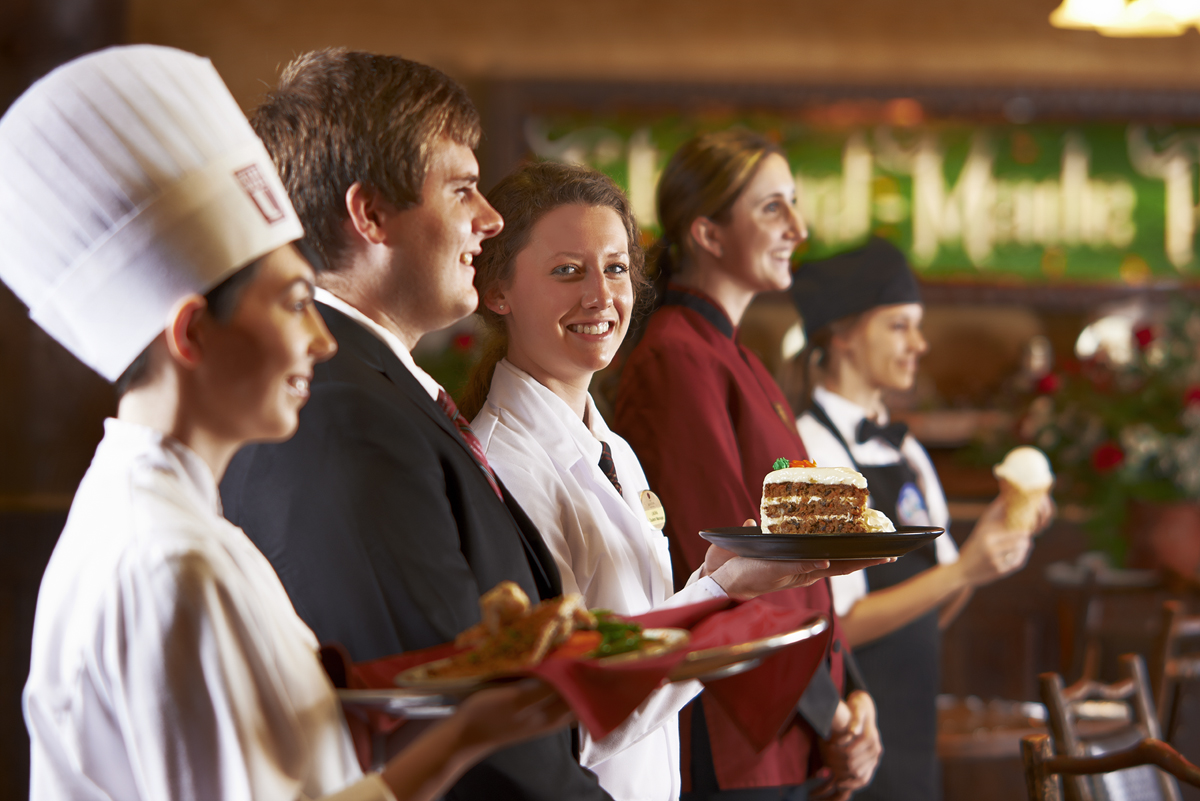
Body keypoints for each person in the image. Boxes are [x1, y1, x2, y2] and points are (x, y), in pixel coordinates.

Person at [4, 45, 573, 801]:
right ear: (194, 333)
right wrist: (465, 735)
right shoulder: (170, 561)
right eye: (293, 303)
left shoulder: (176, 528)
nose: (322, 340)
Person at [217, 49, 611, 801]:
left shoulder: (376, 388)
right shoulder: (344, 410)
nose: (490, 219)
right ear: (370, 215)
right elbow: (440, 710)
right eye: (462, 188)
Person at [459, 162, 888, 801]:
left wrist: (718, 585)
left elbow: (637, 627)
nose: (601, 297)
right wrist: (720, 590)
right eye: (566, 271)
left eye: (615, 268)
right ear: (497, 291)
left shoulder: (615, 451)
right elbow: (567, 713)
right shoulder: (506, 467)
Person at [613, 130, 881, 800]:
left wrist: (855, 690)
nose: (799, 226)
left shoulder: (734, 353)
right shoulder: (678, 356)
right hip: (740, 733)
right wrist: (832, 712)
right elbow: (724, 567)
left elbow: (803, 560)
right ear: (706, 232)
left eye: (794, 203)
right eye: (772, 208)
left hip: (791, 717)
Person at [790, 237, 1046, 801]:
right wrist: (960, 573)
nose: (920, 344)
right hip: (850, 735)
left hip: (912, 732)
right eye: (900, 326)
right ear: (842, 334)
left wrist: (989, 550)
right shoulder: (811, 452)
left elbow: (935, 609)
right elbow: (840, 627)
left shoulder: (909, 454)